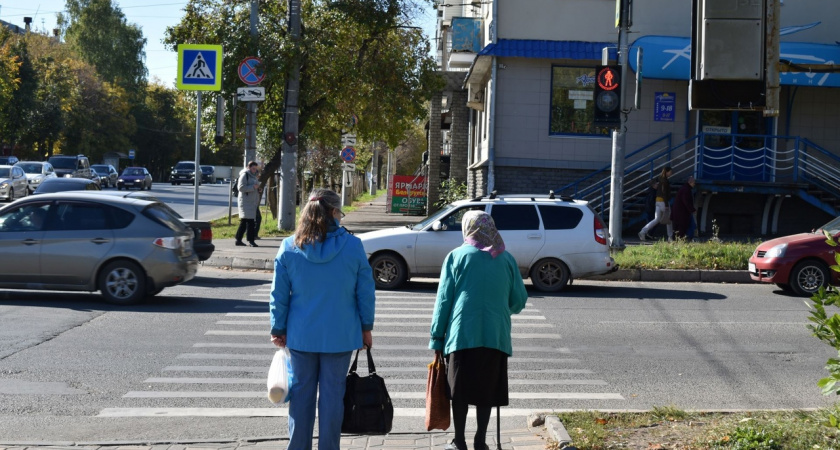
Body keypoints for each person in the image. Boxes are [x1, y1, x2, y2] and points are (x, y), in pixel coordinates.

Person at [269, 188, 375, 450]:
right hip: (340, 336)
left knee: (300, 397)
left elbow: (279, 295)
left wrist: (278, 327)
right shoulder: (353, 246)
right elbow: (365, 292)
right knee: (332, 398)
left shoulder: (289, 246)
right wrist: (366, 328)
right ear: (334, 212)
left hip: (301, 335)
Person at [429, 211, 528, 450]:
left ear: (468, 228)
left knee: (459, 391)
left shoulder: (456, 256)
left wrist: (436, 338)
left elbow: (444, 301)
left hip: (462, 335)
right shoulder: (506, 258)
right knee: (487, 391)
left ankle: (459, 441)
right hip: (495, 335)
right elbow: (519, 300)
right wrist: (500, 309)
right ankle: (480, 441)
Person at [638, 166, 674, 242]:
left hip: (657, 201)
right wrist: (666, 204)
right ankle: (670, 237)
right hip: (663, 201)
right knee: (669, 220)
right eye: (670, 172)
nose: (671, 173)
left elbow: (653, 184)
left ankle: (643, 231)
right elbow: (664, 193)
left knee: (656, 219)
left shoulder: (659, 179)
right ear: (667, 172)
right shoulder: (665, 181)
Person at [235, 161, 261, 247]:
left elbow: (254, 186)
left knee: (244, 221)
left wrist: (258, 189)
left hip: (251, 201)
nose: (254, 170)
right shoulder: (244, 175)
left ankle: (238, 239)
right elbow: (241, 187)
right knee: (250, 222)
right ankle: (251, 241)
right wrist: (253, 187)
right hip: (245, 202)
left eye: (255, 169)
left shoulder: (254, 176)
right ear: (248, 167)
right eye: (253, 168)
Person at [671, 175, 697, 241]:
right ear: (690, 182)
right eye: (694, 183)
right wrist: (692, 209)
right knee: (682, 227)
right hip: (682, 212)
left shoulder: (684, 188)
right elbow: (686, 201)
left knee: (678, 228)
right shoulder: (686, 190)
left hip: (678, 212)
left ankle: (677, 239)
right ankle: (683, 239)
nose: (694, 184)